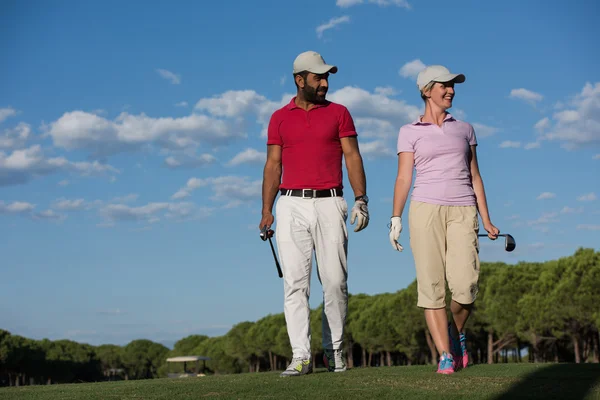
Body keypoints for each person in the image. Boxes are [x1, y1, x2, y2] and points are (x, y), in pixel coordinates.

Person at [259, 50, 369, 377]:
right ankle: (301, 355)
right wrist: (266, 210)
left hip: (331, 202)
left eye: (327, 77)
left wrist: (361, 198)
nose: (324, 83)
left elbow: (352, 156)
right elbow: (273, 164)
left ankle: (333, 349)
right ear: (299, 80)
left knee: (335, 282)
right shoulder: (279, 117)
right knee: (295, 284)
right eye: (318, 77)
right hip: (290, 203)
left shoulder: (339, 113)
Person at [388, 65, 500, 374]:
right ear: (426, 90)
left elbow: (476, 176)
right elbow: (403, 177)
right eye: (444, 85)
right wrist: (395, 218)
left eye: (453, 85)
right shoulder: (409, 131)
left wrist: (487, 219)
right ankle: (445, 355)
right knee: (432, 285)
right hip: (425, 209)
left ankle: (457, 332)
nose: (450, 90)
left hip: (463, 209)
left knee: (465, 286)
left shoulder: (465, 129)